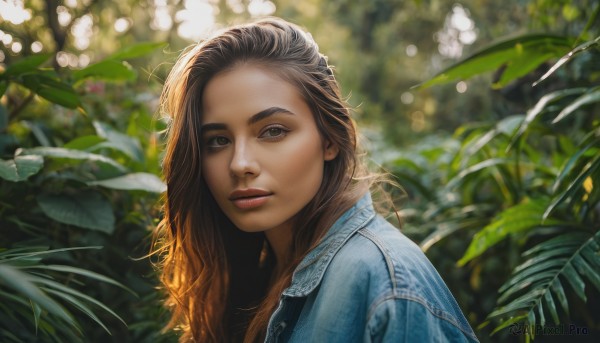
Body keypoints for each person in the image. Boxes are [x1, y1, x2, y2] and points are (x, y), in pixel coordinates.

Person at [154, 17, 479, 343]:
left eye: (273, 131)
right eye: (218, 141)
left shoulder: (389, 290)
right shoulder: (253, 274)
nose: (240, 164)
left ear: (330, 140)